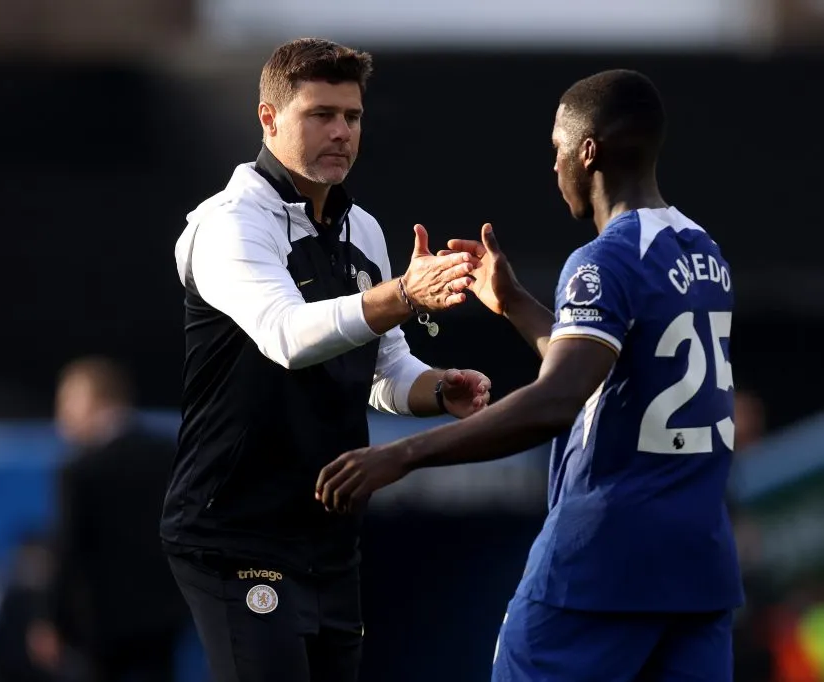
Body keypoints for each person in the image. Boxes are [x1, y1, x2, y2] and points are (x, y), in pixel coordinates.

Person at [317, 69, 744, 681]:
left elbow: (558, 400)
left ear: (587, 152)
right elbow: (611, 379)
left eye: (557, 149)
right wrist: (515, 302)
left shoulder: (605, 258)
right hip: (698, 568)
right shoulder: (704, 253)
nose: (554, 167)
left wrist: (401, 456)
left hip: (602, 561)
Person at [160, 37, 492, 682]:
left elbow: (382, 369)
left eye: (353, 117)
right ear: (268, 118)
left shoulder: (361, 228)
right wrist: (401, 294)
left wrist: (434, 388)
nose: (341, 132)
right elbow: (287, 336)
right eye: (321, 114)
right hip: (235, 531)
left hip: (328, 533)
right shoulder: (229, 222)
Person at [40, 356, 188, 682]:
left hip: (98, 627)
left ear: (94, 398)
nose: (61, 413)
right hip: (167, 617)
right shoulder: (169, 454)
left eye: (67, 399)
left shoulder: (79, 470)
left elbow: (68, 550)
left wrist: (53, 620)